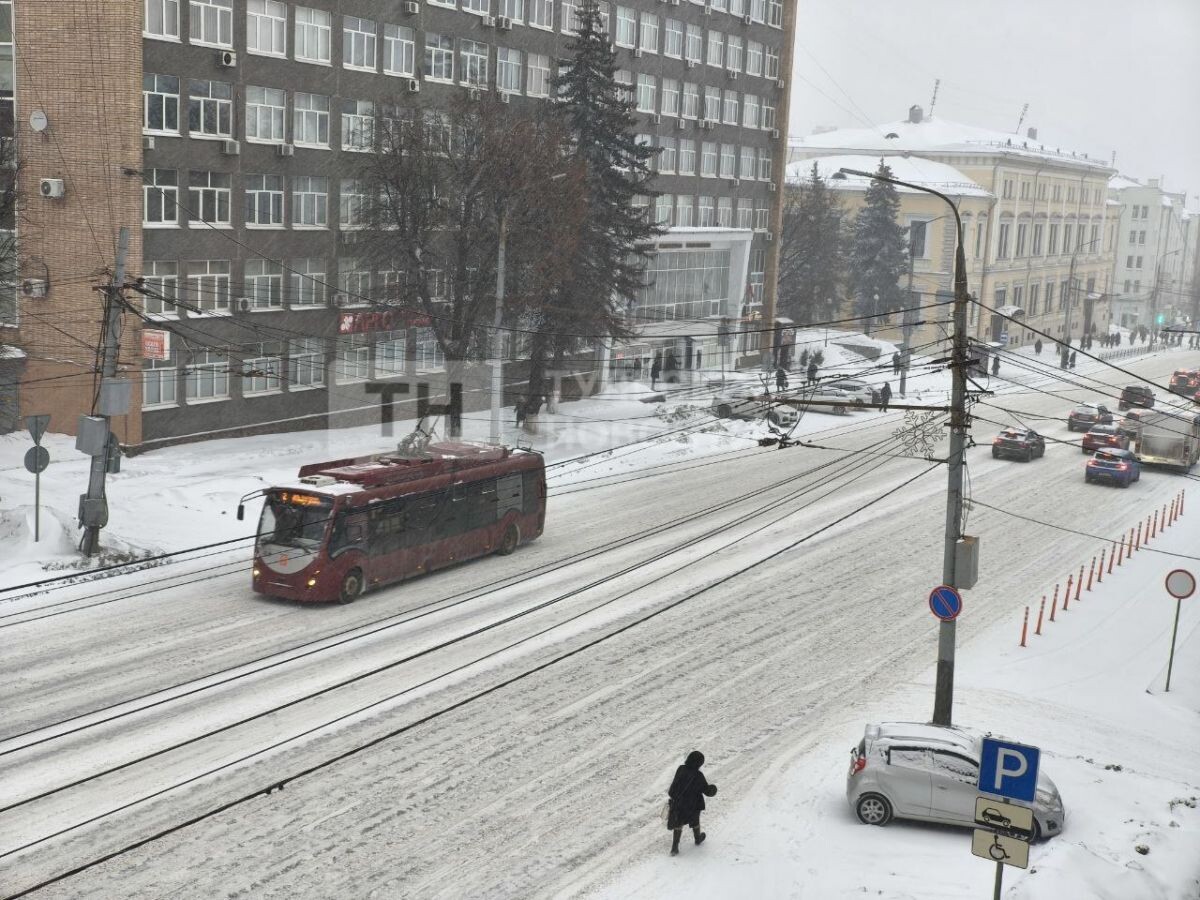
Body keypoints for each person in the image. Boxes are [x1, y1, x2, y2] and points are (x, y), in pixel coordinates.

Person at [667, 750, 718, 856]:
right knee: (695, 821)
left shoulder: (681, 769)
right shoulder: (698, 775)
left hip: (679, 803)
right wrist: (713, 789)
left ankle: (674, 847)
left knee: (678, 822)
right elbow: (707, 791)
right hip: (693, 805)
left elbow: (675, 784)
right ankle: (698, 838)